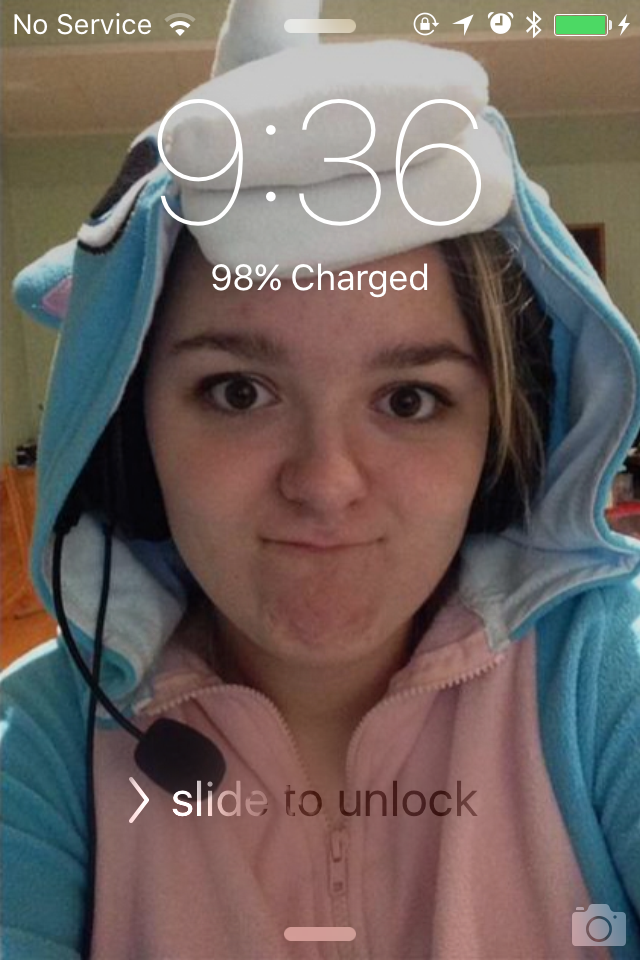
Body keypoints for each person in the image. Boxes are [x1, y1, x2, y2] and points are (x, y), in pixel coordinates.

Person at [3, 1, 640, 957]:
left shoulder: (610, 679)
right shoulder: (40, 744)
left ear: (501, 448)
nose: (326, 483)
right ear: (128, 438)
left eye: (410, 400)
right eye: (238, 391)